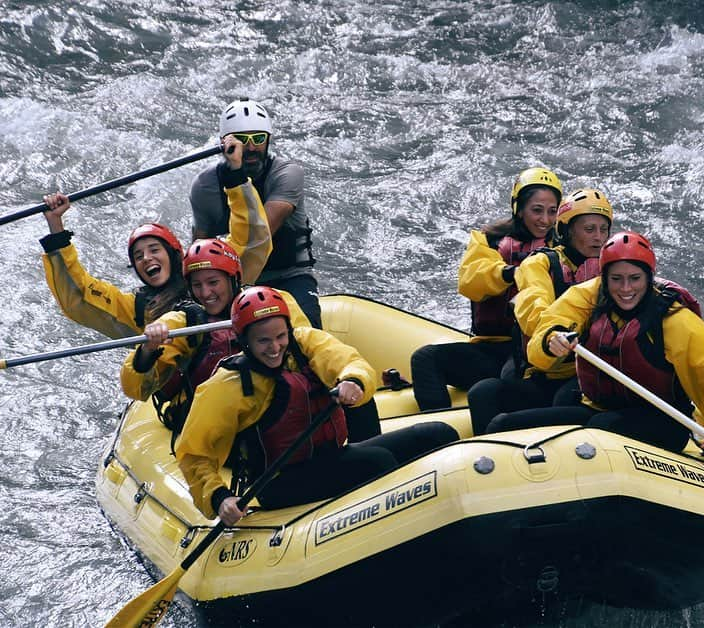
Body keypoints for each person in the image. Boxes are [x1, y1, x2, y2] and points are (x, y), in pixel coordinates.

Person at [175, 286, 459, 525]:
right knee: (377, 463)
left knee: (437, 433)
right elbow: (193, 453)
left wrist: (353, 380)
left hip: (329, 458)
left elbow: (349, 361)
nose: (274, 348)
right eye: (263, 341)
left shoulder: (304, 344)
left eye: (280, 337)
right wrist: (219, 497)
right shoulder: (228, 385)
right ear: (244, 341)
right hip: (278, 481)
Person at [484, 231, 704, 456]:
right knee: (502, 424)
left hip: (663, 420)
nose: (625, 288)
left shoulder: (674, 320)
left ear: (649, 278)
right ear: (604, 277)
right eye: (616, 279)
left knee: (600, 431)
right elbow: (552, 324)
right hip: (597, 409)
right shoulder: (588, 296)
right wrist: (552, 340)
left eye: (634, 278)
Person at [40, 134, 272, 339]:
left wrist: (235, 174)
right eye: (138, 256)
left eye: (153, 249)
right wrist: (56, 228)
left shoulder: (212, 268)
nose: (146, 258)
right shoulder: (137, 310)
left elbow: (251, 239)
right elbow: (79, 296)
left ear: (173, 255)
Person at [120, 238, 324, 436]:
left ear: (233, 278)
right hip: (214, 425)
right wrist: (147, 351)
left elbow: (310, 346)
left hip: (275, 414)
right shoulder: (184, 322)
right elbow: (135, 389)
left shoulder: (273, 302)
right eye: (197, 285)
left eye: (213, 282)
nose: (205, 292)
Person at [410, 167, 562, 411]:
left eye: (552, 212)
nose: (545, 220)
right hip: (490, 348)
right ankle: (439, 426)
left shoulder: (561, 246)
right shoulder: (489, 240)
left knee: (505, 382)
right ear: (519, 208)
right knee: (424, 358)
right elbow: (470, 282)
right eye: (537, 210)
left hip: (531, 350)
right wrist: (508, 272)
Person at [467, 188, 613, 434]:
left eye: (603, 230)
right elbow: (534, 307)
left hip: (587, 372)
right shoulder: (539, 263)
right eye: (589, 230)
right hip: (545, 363)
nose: (598, 238)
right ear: (566, 230)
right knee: (484, 393)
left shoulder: (615, 270)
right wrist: (552, 334)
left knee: (565, 399)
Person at [190, 97, 322, 329]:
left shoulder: (288, 174)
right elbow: (200, 250)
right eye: (241, 140)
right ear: (225, 143)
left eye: (258, 139)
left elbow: (258, 237)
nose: (251, 148)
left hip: (290, 276)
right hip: (235, 282)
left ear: (268, 140)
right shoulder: (205, 186)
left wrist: (236, 174)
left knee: (307, 330)